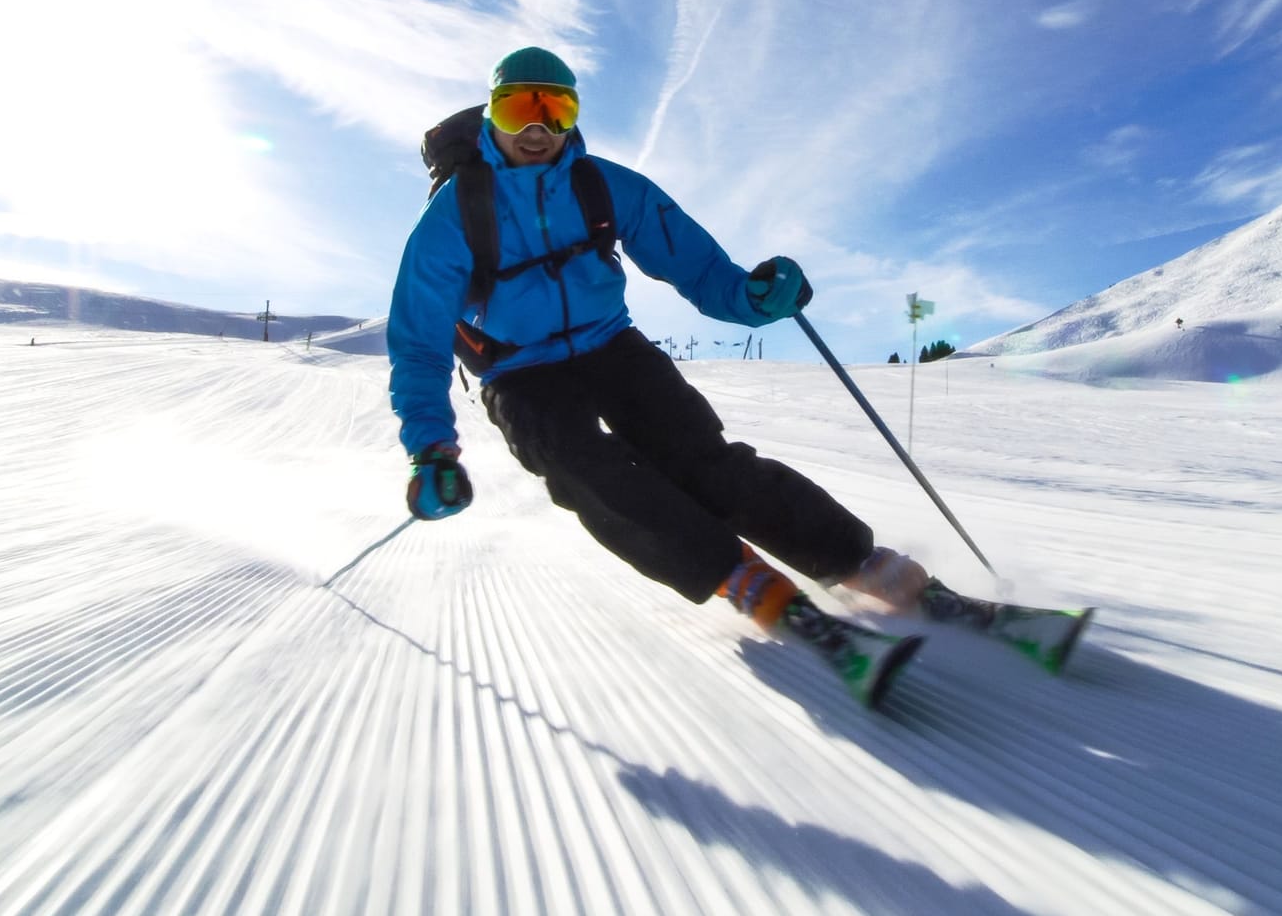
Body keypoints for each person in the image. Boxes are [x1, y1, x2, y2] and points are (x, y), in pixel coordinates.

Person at [386, 46, 992, 648]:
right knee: (584, 469)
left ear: (574, 115)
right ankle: (746, 583)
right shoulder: (452, 217)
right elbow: (419, 343)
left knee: (703, 460)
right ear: (494, 115)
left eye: (557, 108)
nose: (539, 128)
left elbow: (700, 271)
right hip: (518, 368)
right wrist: (431, 448)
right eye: (520, 108)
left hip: (607, 344)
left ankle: (876, 571)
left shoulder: (605, 185)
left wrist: (755, 297)